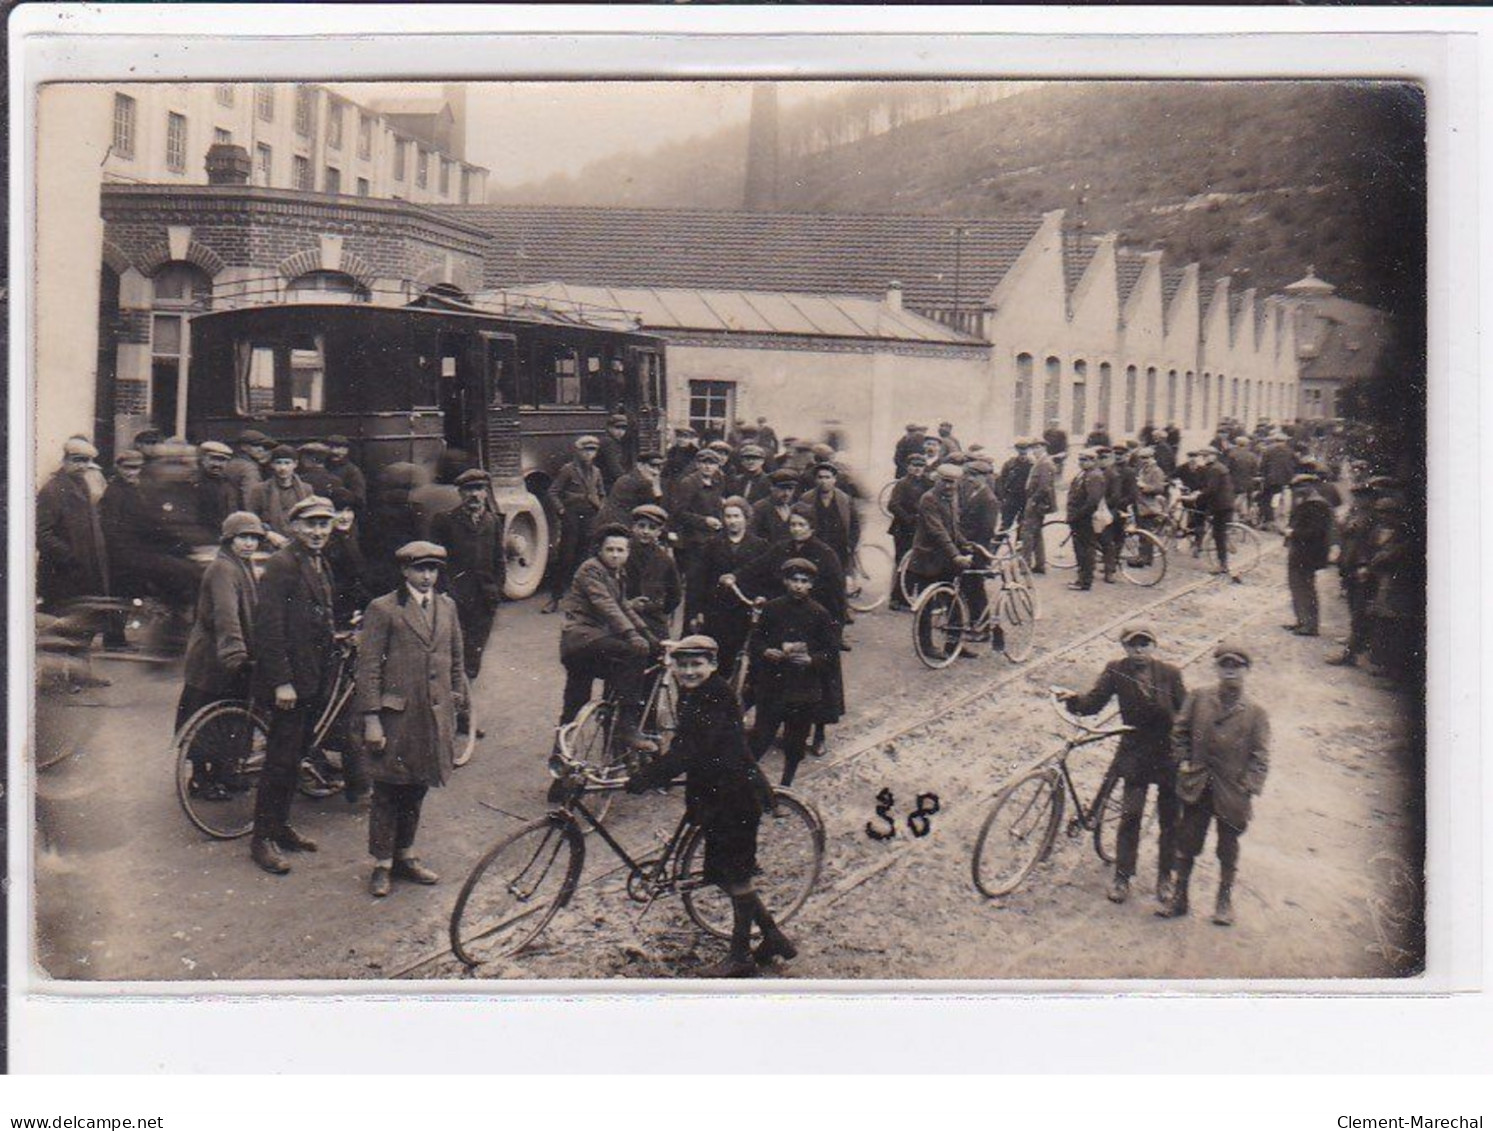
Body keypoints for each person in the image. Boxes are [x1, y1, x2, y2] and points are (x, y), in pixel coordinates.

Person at [624, 635, 790, 977]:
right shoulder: (695, 693)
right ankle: (773, 937)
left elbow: (692, 749)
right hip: (715, 793)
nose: (689, 671)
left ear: (713, 665)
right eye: (682, 665)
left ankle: (741, 957)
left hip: (736, 795)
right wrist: (658, 769)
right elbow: (687, 745)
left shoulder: (716, 694)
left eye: (697, 664)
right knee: (720, 873)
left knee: (737, 875)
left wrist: (650, 777)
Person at [356, 541, 469, 898]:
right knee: (389, 789)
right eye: (419, 569)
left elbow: (455, 659)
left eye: (432, 569)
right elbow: (369, 667)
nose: (426, 576)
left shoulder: (447, 607)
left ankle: (406, 854)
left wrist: (455, 702)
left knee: (418, 785)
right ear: (404, 571)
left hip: (432, 716)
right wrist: (372, 718)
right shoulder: (384, 609)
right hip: (397, 717)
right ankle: (382, 864)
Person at [248, 496, 340, 876]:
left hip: (312, 675)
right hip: (289, 682)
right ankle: (262, 840)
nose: (318, 531)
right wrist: (283, 682)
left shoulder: (319, 562)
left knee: (295, 756)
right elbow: (269, 629)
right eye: (311, 524)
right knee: (280, 760)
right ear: (295, 527)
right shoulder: (283, 564)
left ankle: (281, 826)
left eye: (324, 524)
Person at [1064, 625, 1188, 905]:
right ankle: (1123, 875)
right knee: (1131, 814)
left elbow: (1185, 713)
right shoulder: (1116, 670)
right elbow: (1094, 703)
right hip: (1136, 752)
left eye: (1145, 644)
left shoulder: (1170, 674)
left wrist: (1188, 750)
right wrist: (1072, 701)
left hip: (1169, 755)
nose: (1139, 650)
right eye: (1133, 645)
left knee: (1171, 819)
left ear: (1154, 646)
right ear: (1124, 647)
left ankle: (1165, 877)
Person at [1158, 642, 1271, 926]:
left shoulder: (1256, 712)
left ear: (1247, 671)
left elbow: (1260, 756)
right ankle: (1179, 898)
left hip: (1232, 792)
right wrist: (1184, 762)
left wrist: (1248, 785)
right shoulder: (1197, 697)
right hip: (1198, 786)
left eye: (1237, 666)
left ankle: (1224, 900)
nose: (1230, 671)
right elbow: (1180, 731)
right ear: (1216, 668)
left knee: (1228, 847)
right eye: (1224, 665)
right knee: (1187, 843)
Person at [176, 512, 267, 799]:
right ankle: (201, 779)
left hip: (227, 655)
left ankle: (224, 773)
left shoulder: (242, 565)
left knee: (229, 719)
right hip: (213, 660)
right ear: (229, 539)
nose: (249, 543)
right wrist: (236, 655)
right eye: (243, 537)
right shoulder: (223, 569)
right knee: (208, 720)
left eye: (254, 538)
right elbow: (226, 616)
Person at [556, 524, 656, 754]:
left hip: (587, 645)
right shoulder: (590, 570)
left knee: (575, 705)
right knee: (633, 655)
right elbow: (606, 605)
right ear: (599, 550)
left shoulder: (616, 574)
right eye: (610, 549)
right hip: (582, 640)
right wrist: (632, 635)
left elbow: (623, 606)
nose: (615, 555)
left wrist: (648, 635)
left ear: (628, 553)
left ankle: (561, 765)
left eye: (620, 550)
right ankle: (627, 727)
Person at [747, 559, 839, 788]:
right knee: (760, 738)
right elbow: (756, 640)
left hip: (803, 690)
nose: (798, 586)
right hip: (773, 686)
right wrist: (766, 651)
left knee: (795, 744)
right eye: (794, 580)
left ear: (811, 585)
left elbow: (830, 653)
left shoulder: (820, 614)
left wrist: (811, 660)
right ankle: (746, 785)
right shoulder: (772, 608)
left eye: (804, 581)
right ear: (786, 581)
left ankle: (786, 786)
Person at [100, 445, 202, 612]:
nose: (133, 473)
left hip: (149, 564)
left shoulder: (148, 489)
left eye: (137, 468)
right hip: (130, 563)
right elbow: (115, 531)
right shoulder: (122, 492)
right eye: (128, 468)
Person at [430, 468, 506, 683]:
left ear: (486, 492)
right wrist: (444, 593)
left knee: (475, 652)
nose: (474, 494)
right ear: (460, 493)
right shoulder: (444, 521)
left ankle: (466, 691)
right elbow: (437, 562)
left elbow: (499, 560)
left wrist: (497, 590)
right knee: (453, 649)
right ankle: (455, 696)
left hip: (484, 598)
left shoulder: (493, 522)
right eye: (468, 489)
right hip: (456, 597)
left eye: (479, 489)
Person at [907, 463, 983, 652]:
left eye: (953, 483)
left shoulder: (952, 497)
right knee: (927, 606)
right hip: (928, 558)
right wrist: (956, 555)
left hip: (946, 559)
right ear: (936, 479)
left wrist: (966, 543)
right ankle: (926, 646)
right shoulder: (929, 499)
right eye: (946, 482)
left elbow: (953, 528)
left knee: (955, 601)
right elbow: (938, 531)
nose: (950, 486)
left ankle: (954, 643)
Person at [692, 497, 767, 682]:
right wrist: (697, 611)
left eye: (736, 516)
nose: (732, 521)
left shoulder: (759, 545)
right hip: (717, 611)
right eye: (728, 516)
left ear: (746, 518)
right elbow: (700, 580)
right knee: (718, 658)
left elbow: (764, 578)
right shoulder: (712, 544)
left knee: (743, 658)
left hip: (745, 609)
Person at [37, 438, 110, 613]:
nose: (82, 466)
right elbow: (41, 534)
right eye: (77, 460)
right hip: (62, 572)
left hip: (84, 569)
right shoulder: (52, 490)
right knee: (62, 626)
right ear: (65, 460)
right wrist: (70, 556)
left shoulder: (83, 484)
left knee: (83, 622)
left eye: (86, 461)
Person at [545, 434, 607, 612]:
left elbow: (602, 493)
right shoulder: (568, 470)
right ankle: (555, 598)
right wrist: (562, 510)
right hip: (572, 517)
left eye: (593, 450)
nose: (590, 454)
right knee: (566, 557)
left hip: (590, 518)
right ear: (578, 451)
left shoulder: (596, 472)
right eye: (586, 450)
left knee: (585, 558)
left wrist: (600, 508)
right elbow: (553, 492)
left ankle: (580, 600)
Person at [1326, 482, 1378, 667]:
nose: (1357, 500)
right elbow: (1344, 534)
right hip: (1349, 567)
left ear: (1368, 498)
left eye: (1361, 496)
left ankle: (1351, 654)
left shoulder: (1372, 517)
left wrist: (1364, 564)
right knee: (1354, 609)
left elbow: (1368, 545)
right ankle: (1356, 644)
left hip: (1361, 570)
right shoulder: (1355, 514)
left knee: (1359, 611)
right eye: (1355, 496)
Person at [1282, 474, 1335, 637]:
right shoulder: (1308, 502)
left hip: (1308, 553)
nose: (1297, 492)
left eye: (1300, 488)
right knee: (1298, 587)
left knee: (1305, 588)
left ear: (1309, 487)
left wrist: (1293, 533)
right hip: (1301, 551)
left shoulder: (1316, 505)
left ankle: (1309, 625)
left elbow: (1315, 531)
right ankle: (1302, 621)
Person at [624, 504, 682, 642]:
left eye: (652, 528)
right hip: (623, 617)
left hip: (653, 621)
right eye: (641, 526)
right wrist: (628, 604)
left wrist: (656, 608)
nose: (646, 531)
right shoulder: (622, 554)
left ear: (659, 532)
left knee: (659, 653)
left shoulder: (665, 560)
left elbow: (675, 595)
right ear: (633, 527)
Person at [669, 446, 728, 580]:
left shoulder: (717, 481)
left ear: (718, 466)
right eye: (704, 463)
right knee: (696, 577)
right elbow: (679, 513)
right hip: (694, 538)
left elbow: (717, 505)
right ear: (697, 464)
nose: (708, 467)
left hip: (713, 536)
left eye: (712, 463)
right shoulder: (688, 483)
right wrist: (704, 520)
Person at [792, 461, 859, 574]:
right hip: (815, 546)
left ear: (834, 479)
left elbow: (854, 524)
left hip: (838, 547)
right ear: (815, 480)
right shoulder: (806, 498)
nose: (824, 481)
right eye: (820, 477)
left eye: (828, 477)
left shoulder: (844, 499)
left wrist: (851, 545)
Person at [887, 452, 931, 607]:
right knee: (902, 562)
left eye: (921, 466)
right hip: (903, 529)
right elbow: (893, 505)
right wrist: (909, 519)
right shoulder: (902, 484)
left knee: (917, 562)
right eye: (914, 466)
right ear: (908, 467)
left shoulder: (928, 483)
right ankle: (896, 597)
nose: (918, 469)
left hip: (922, 529)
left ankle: (908, 595)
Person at [248, 445, 313, 540]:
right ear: (272, 465)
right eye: (278, 463)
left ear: (295, 464)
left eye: (287, 463)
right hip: (270, 543)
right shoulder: (260, 490)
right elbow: (252, 520)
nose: (283, 468)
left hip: (299, 541)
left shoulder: (306, 489)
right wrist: (268, 534)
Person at [1065, 448, 1106, 592]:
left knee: (1085, 550)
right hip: (1079, 518)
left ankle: (1085, 581)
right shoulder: (1085, 474)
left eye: (1085, 460)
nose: (1081, 463)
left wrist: (1078, 515)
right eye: (1080, 460)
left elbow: (1093, 500)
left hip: (1084, 520)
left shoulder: (1094, 476)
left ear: (1093, 461)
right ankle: (1082, 578)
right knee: (1080, 550)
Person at [1194, 447, 1238, 579]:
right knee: (1219, 532)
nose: (1204, 458)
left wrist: (1197, 496)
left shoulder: (1214, 469)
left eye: (1206, 456)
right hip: (1226, 503)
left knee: (1218, 535)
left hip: (1220, 506)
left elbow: (1211, 490)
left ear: (1213, 456)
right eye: (1203, 456)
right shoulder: (1220, 467)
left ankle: (1223, 565)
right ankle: (1224, 555)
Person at [599, 448, 666, 529]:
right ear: (640, 466)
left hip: (611, 524)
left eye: (659, 468)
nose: (656, 472)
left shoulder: (627, 478)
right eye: (652, 466)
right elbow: (653, 512)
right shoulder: (641, 483)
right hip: (621, 527)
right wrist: (658, 494)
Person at [1020, 438, 1057, 574]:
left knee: (1028, 533)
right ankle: (1040, 564)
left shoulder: (1045, 463)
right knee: (1036, 533)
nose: (1034, 451)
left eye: (1037, 448)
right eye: (1033, 448)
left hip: (1036, 503)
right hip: (1035, 501)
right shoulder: (1040, 462)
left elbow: (1044, 487)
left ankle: (1025, 565)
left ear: (1043, 448)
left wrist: (1034, 501)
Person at [1098, 447, 1134, 584]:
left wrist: (1119, 506)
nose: (1118, 457)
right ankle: (1110, 565)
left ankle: (1110, 569)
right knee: (1108, 540)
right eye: (1116, 454)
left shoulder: (1128, 472)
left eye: (1121, 454)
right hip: (1108, 508)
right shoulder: (1108, 470)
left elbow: (1131, 494)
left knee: (1115, 540)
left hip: (1118, 510)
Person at [192, 441, 239, 544]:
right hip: (199, 540)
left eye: (222, 460)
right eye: (213, 459)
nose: (217, 464)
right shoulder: (193, 484)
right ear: (202, 459)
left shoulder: (229, 484)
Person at [1132, 447, 1168, 566]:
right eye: (1142, 458)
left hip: (1149, 506)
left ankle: (1146, 558)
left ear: (1152, 458)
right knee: (1142, 533)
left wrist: (1144, 487)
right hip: (1140, 505)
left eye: (1146, 458)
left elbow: (1159, 488)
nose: (1144, 460)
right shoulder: (1142, 470)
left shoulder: (1156, 471)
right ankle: (1144, 556)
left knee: (1147, 533)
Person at [225, 429, 273, 511]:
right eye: (256, 445)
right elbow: (251, 500)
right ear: (244, 447)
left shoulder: (230, 463)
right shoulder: (249, 469)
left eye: (262, 446)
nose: (261, 449)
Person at [752, 468, 801, 545]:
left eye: (790, 489)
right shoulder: (760, 508)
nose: (786, 493)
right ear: (772, 488)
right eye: (782, 489)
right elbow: (754, 536)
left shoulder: (795, 506)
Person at [1259, 432, 1296, 530]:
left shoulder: (1268, 450)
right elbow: (1296, 464)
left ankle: (1268, 520)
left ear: (1275, 441)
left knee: (1266, 499)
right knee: (1283, 500)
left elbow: (1262, 465)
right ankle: (1281, 521)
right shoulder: (1290, 451)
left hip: (1270, 480)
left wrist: (1262, 474)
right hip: (1286, 480)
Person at [325, 435, 368, 514]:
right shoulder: (323, 467)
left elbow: (359, 499)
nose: (335, 451)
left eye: (340, 448)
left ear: (347, 450)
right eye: (331, 447)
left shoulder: (352, 471)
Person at [998, 438, 1031, 534]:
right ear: (1017, 451)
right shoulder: (1009, 464)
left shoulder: (1032, 464)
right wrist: (1003, 498)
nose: (1023, 456)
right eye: (1021, 453)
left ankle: (1019, 548)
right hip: (1011, 497)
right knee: (1005, 525)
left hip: (1025, 498)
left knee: (1022, 525)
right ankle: (994, 548)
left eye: (1024, 453)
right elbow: (1001, 481)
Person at [596, 414, 634, 492]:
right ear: (609, 428)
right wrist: (627, 482)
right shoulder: (608, 442)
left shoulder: (615, 442)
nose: (620, 432)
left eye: (623, 429)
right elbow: (614, 466)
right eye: (617, 428)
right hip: (607, 483)